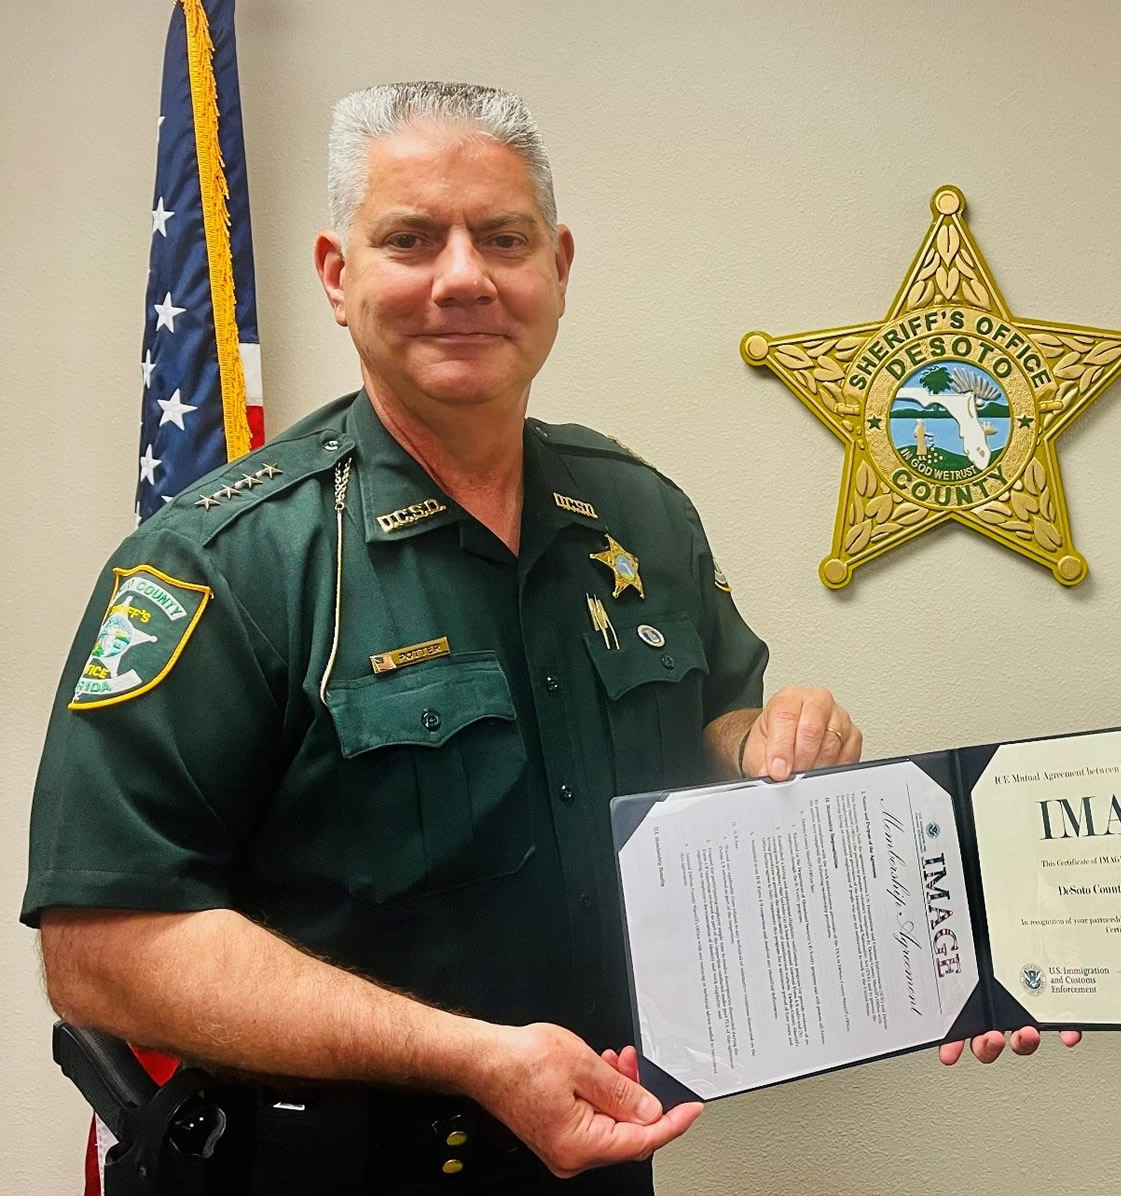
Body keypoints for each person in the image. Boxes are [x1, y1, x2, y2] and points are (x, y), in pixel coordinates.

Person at [21, 81, 869, 1192]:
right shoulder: (224, 559)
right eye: (412, 238)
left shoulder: (641, 514)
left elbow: (710, 719)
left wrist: (770, 741)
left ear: (556, 265)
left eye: (503, 238)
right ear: (338, 273)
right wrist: (467, 1054)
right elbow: (102, 947)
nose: (463, 276)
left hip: (598, 1158)